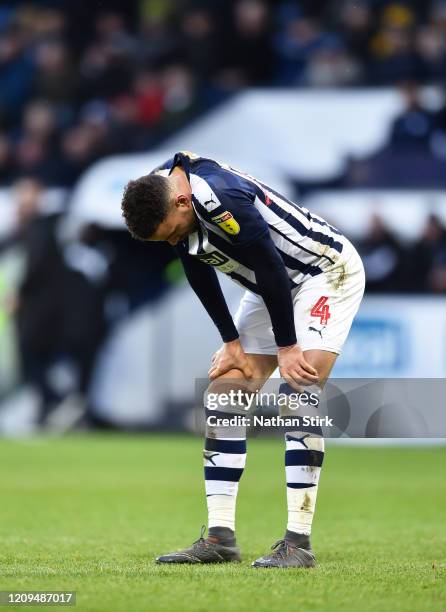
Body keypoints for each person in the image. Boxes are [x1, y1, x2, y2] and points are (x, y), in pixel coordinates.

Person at [121, 151, 365, 568]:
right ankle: (220, 537)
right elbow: (195, 263)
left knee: (298, 391)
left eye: (173, 232)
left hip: (322, 272)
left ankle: (298, 543)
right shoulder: (164, 189)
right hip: (264, 282)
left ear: (182, 203)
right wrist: (230, 340)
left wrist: (287, 348)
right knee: (224, 394)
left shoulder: (222, 198)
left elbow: (271, 264)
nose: (175, 240)